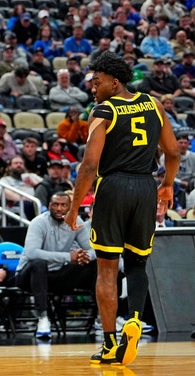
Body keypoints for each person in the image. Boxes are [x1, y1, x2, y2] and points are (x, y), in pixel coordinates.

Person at [64, 51, 180, 365]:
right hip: (145, 188)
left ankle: (109, 342)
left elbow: (89, 166)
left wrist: (75, 207)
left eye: (96, 82)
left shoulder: (102, 110)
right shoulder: (155, 105)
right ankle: (135, 319)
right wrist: (167, 184)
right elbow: (172, 151)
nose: (92, 88)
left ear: (114, 83)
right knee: (138, 264)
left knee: (106, 268)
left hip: (113, 187)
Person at [16, 192, 96, 339]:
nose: (59, 208)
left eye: (63, 205)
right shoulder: (38, 222)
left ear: (70, 207)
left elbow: (92, 249)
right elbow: (32, 253)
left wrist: (85, 256)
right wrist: (68, 257)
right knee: (38, 263)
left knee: (95, 264)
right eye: (55, 204)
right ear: (49, 207)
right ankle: (43, 319)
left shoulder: (76, 221)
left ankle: (102, 318)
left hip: (57, 275)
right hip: (28, 276)